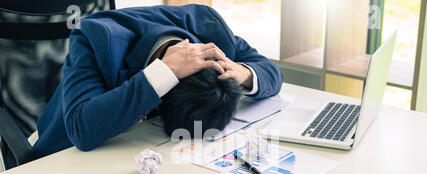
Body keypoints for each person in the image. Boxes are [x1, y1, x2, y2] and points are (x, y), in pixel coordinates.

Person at [30, 4, 283, 157]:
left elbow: (273, 72)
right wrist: (164, 73)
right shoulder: (96, 38)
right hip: (60, 155)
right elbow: (80, 129)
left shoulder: (212, 32)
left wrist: (244, 73)